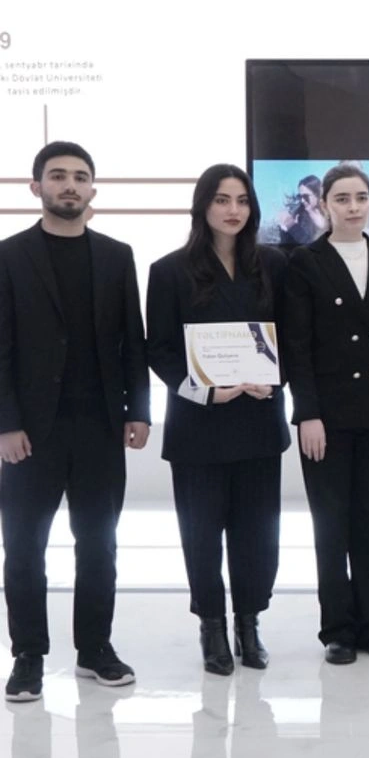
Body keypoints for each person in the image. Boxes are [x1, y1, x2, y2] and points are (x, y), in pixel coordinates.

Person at [0, 141, 151, 703]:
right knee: (24, 548)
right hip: (30, 433)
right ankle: (28, 656)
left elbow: (132, 340)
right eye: (58, 175)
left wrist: (140, 409)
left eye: (80, 176)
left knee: (99, 546)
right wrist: (5, 422)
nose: (70, 184)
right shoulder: (9, 256)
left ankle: (95, 649)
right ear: (36, 186)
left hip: (100, 428)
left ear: (92, 189)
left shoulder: (116, 255)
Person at [146, 164, 290, 675]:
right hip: (198, 427)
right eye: (222, 200)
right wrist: (205, 390)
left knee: (257, 534)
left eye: (242, 200)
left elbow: (293, 338)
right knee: (202, 534)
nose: (233, 210)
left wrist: (275, 379)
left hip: (258, 419)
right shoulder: (169, 270)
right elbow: (159, 350)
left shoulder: (274, 265)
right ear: (202, 206)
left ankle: (249, 622)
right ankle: (211, 624)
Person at [281, 163, 369, 664]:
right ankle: (338, 628)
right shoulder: (305, 261)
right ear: (325, 205)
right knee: (332, 524)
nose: (353, 207)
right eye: (342, 198)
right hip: (328, 417)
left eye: (361, 197)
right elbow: (297, 344)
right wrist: (307, 413)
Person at [269, 175, 326, 247]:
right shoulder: (299, 216)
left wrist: (293, 227)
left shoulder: (330, 215)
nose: (302, 200)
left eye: (306, 196)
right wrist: (286, 229)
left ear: (317, 194)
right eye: (300, 197)